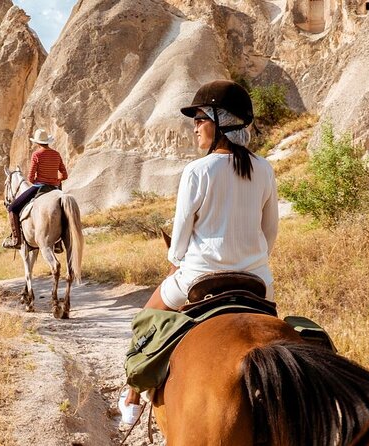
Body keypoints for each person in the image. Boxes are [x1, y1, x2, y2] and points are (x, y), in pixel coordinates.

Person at [119, 80, 279, 422]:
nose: (195, 126)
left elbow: (179, 239)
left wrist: (177, 262)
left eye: (200, 118)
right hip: (257, 280)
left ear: (221, 122)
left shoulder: (197, 170)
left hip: (197, 276)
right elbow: (270, 233)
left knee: (145, 319)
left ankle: (132, 397)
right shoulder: (265, 169)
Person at [2, 128, 68, 250]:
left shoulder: (37, 155)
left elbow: (31, 178)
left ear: (37, 143)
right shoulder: (56, 154)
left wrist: (42, 179)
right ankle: (58, 243)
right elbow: (64, 175)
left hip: (40, 187)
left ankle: (16, 239)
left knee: (13, 208)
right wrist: (55, 180)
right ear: (48, 142)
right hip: (54, 188)